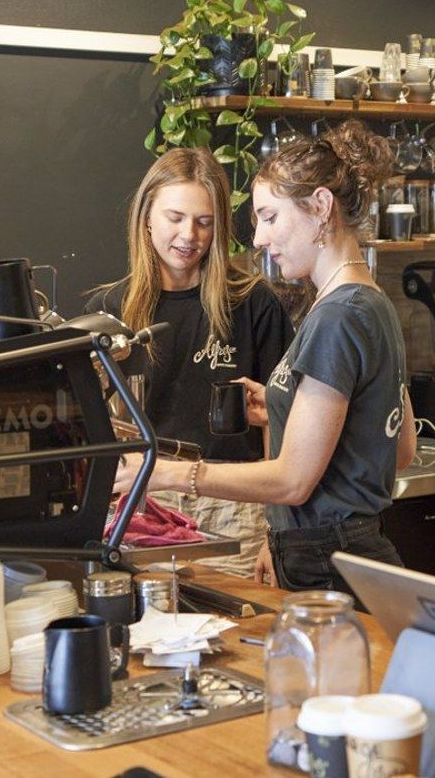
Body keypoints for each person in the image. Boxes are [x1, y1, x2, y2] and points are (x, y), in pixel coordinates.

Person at [115, 120, 416, 594]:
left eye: (270, 217)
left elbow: (294, 481)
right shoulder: (371, 301)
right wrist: (280, 407)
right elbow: (401, 450)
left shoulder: (335, 316)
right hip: (342, 547)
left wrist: (165, 472)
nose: (257, 239)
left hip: (325, 555)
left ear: (320, 206)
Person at [87, 147, 292, 578]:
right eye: (175, 218)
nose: (189, 236)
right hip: (140, 505)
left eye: (204, 222)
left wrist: (277, 533)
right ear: (146, 216)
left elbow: (281, 421)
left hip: (233, 506)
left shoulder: (253, 303)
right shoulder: (109, 310)